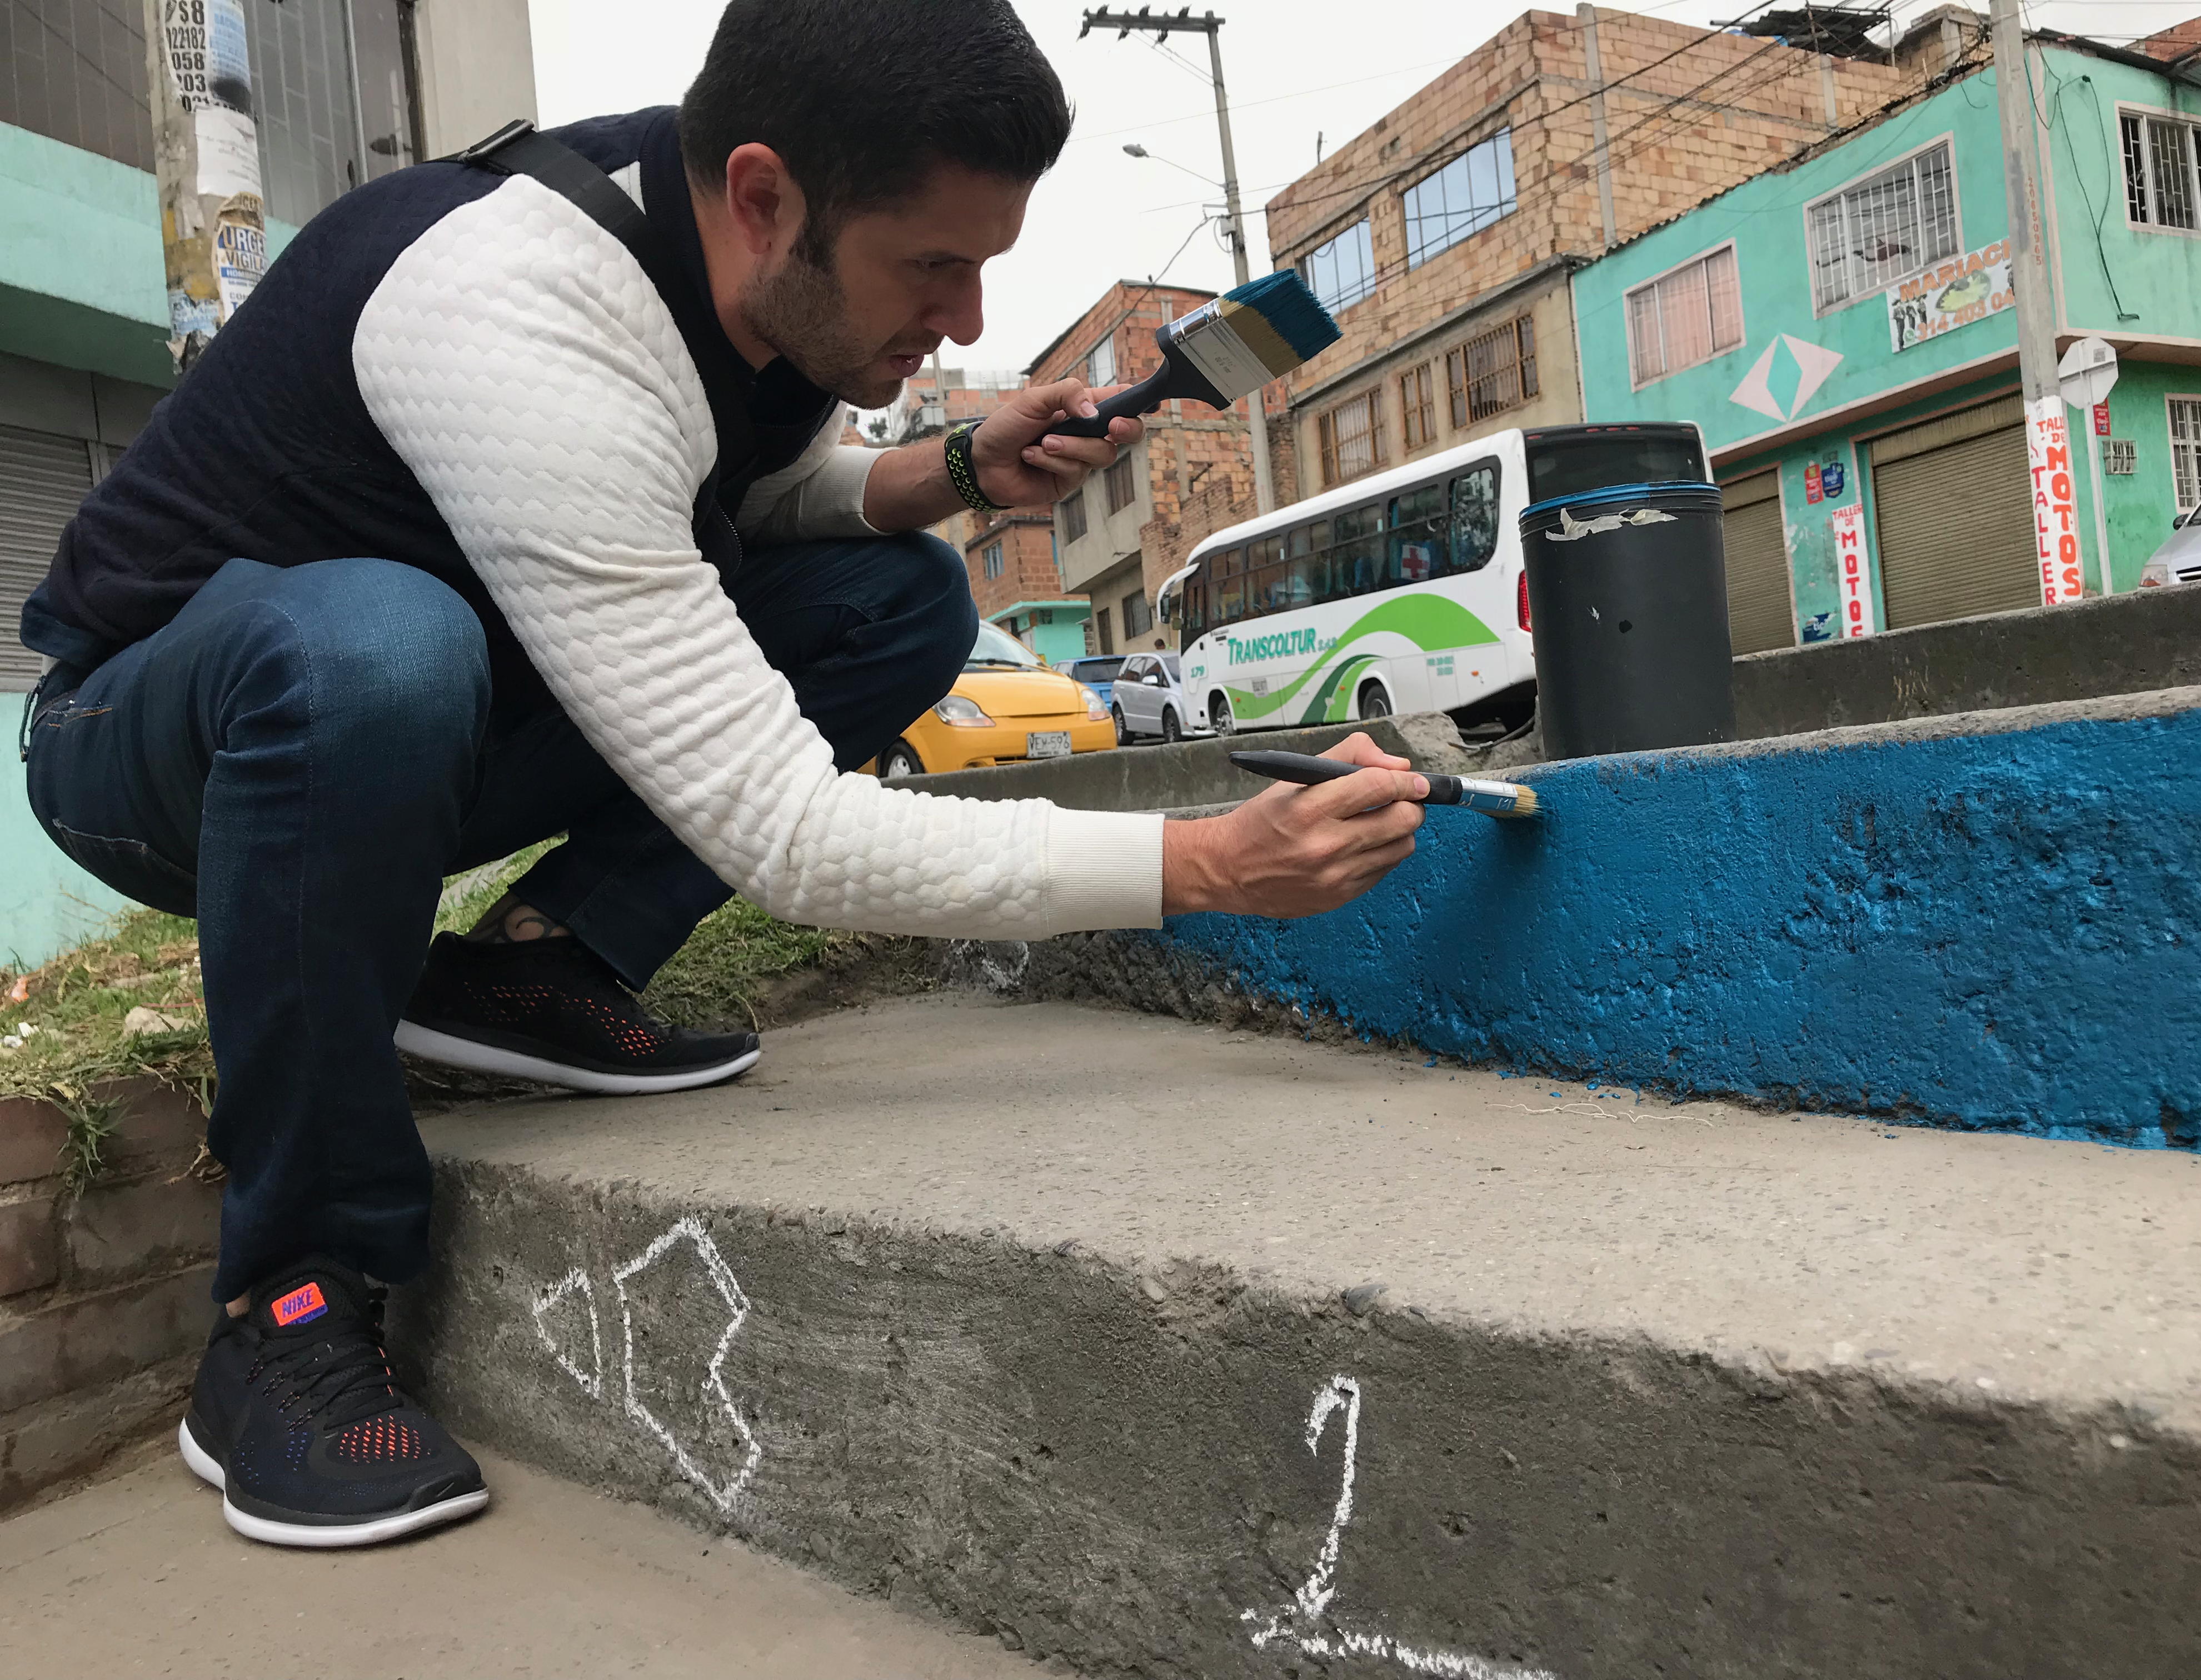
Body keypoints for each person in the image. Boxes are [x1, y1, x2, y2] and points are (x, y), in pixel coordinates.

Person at [18, 0, 1427, 1550]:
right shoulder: (522, 300)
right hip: (161, 748)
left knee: (899, 596)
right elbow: (781, 830)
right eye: (931, 267)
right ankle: (284, 1302)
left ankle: (534, 971)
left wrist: (959, 473)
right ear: (766, 198)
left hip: (426, 718)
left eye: (985, 269)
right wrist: (1206, 865)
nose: (962, 325)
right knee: (374, 645)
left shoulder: (731, 274)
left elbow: (746, 488)